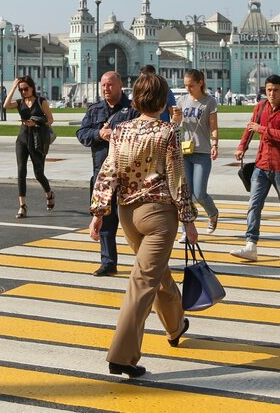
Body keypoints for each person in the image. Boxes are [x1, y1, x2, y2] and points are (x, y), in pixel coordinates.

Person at [89, 72, 197, 379]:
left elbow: (108, 171)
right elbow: (177, 179)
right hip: (159, 215)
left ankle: (176, 326)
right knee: (142, 284)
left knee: (157, 276)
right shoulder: (167, 132)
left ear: (135, 100)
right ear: (163, 102)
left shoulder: (120, 130)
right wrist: (188, 220)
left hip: (127, 215)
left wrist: (98, 212)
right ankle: (122, 356)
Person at [230, 74, 280, 261]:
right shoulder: (260, 107)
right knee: (254, 205)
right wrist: (242, 146)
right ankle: (251, 244)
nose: (271, 93)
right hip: (261, 165)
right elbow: (249, 128)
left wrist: (263, 130)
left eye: (275, 90)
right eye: (268, 89)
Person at [77, 72, 139, 276]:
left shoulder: (133, 110)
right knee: (105, 220)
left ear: (120, 85)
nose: (106, 88)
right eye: (103, 85)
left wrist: (117, 135)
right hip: (102, 176)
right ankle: (108, 262)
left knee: (136, 221)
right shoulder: (94, 110)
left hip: (128, 175)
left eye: (110, 84)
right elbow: (82, 134)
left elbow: (140, 136)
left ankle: (144, 260)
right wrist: (98, 134)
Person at [4, 75, 55, 218]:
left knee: (38, 173)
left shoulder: (41, 101)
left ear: (32, 87)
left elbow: (50, 119)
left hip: (37, 140)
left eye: (26, 89)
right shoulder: (20, 102)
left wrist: (37, 123)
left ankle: (49, 193)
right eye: (21, 90)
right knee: (21, 171)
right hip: (22, 139)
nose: (24, 92)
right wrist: (13, 87)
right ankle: (22, 206)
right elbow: (5, 105)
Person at [177, 69, 220, 235]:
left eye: (191, 85)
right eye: (186, 85)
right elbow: (177, 123)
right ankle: (185, 230)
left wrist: (215, 144)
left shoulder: (209, 102)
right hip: (184, 151)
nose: (188, 89)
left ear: (200, 83)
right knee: (185, 195)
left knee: (199, 193)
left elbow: (214, 127)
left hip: (202, 151)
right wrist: (175, 117)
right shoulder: (182, 100)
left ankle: (213, 213)